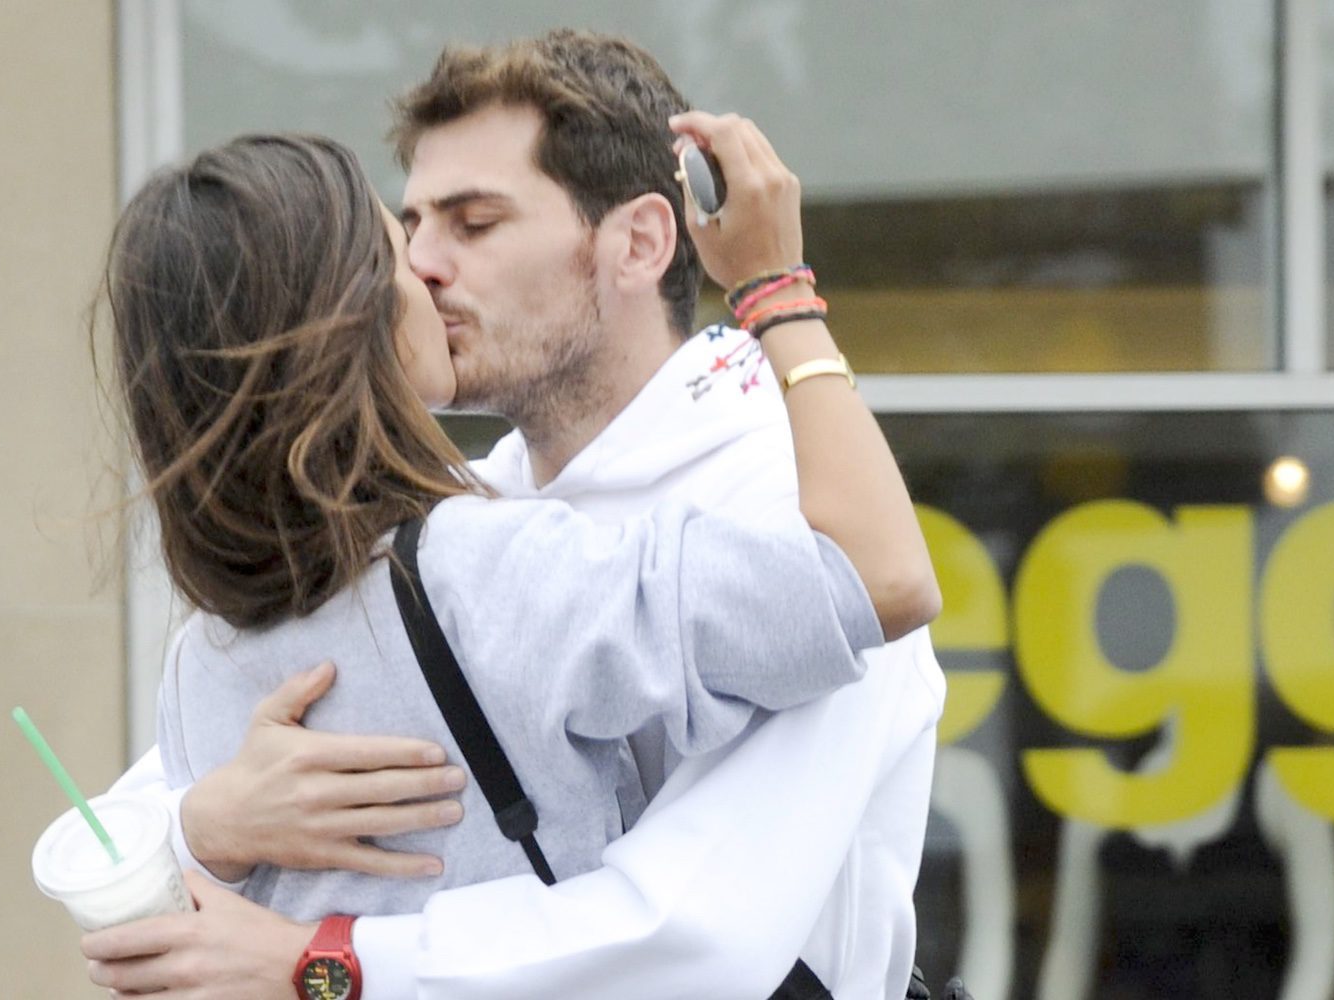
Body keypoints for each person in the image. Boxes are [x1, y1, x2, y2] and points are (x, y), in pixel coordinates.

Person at [82, 31, 948, 1000]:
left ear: (639, 243)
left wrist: (321, 959)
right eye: (407, 227)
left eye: (474, 222)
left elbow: (695, 938)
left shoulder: (781, 500)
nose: (422, 263)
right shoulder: (450, 518)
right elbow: (120, 820)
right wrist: (206, 822)